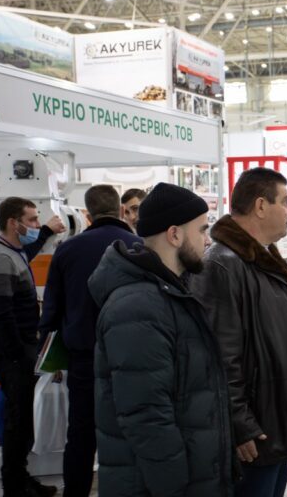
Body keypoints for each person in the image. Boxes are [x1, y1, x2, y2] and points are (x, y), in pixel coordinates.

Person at [88, 182, 234, 497]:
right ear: (175, 234)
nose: (207, 240)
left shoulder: (172, 293)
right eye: (201, 230)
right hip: (156, 486)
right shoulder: (138, 306)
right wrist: (174, 485)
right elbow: (146, 415)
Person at [190, 167, 287, 497]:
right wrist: (240, 424)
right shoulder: (223, 264)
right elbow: (220, 356)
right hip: (257, 426)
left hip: (277, 416)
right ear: (261, 206)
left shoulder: (262, 259)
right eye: (285, 201)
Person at [39, 185, 140, 497]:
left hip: (83, 358)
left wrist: (50, 357)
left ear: (87, 214)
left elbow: (52, 309)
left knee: (81, 435)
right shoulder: (138, 246)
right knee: (131, 432)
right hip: (132, 357)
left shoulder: (68, 250)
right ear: (121, 210)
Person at [0, 197, 58, 497]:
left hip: (21, 348)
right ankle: (14, 486)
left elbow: (29, 251)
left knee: (24, 419)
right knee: (17, 420)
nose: (37, 225)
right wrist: (18, 357)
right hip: (10, 351)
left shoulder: (13, 252)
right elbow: (1, 313)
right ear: (14, 223)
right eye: (33, 220)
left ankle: (21, 478)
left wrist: (46, 232)